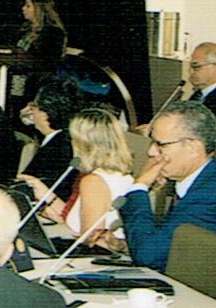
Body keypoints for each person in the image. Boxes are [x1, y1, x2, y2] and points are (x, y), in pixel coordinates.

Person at [112, 100, 216, 268]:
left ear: (192, 147)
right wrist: (126, 245)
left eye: (160, 144)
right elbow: (165, 242)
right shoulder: (208, 176)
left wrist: (140, 186)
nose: (151, 151)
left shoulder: (208, 195)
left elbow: (149, 256)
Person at [25, 105, 135, 249]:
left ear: (84, 143)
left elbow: (90, 240)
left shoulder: (93, 182)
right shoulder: (116, 175)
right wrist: (45, 193)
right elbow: (79, 220)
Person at [16, 77, 84, 192]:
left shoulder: (57, 149)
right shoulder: (67, 140)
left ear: (46, 113)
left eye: (34, 106)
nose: (30, 111)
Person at [11, 0, 67, 76]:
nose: (23, 8)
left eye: (28, 6)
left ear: (38, 8)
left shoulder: (53, 33)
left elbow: (47, 63)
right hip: (16, 76)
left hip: (36, 81)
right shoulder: (24, 29)